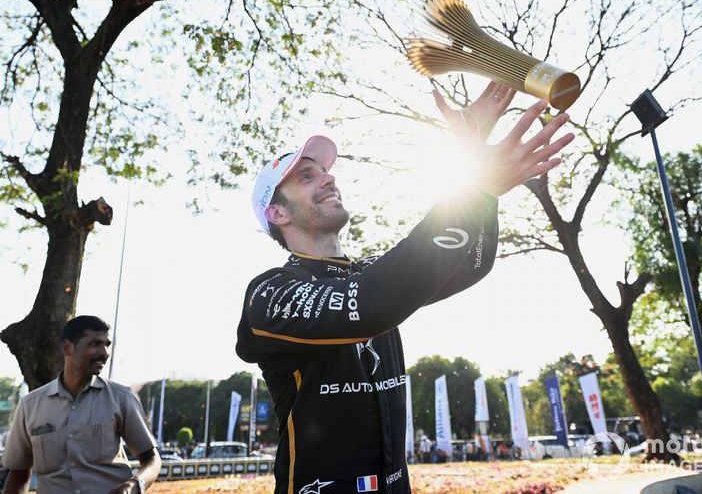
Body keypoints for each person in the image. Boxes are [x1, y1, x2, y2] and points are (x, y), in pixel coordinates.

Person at [235, 81, 574, 493]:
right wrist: (478, 186)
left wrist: (475, 168)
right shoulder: (270, 294)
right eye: (308, 176)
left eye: (326, 171)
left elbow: (472, 261)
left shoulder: (372, 273)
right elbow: (371, 303)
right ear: (277, 212)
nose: (329, 179)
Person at [2, 315, 161, 494]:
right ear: (67, 348)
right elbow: (18, 475)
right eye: (95, 344)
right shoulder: (30, 406)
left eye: (106, 345)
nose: (104, 353)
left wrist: (135, 484)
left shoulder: (122, 398)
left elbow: (152, 460)